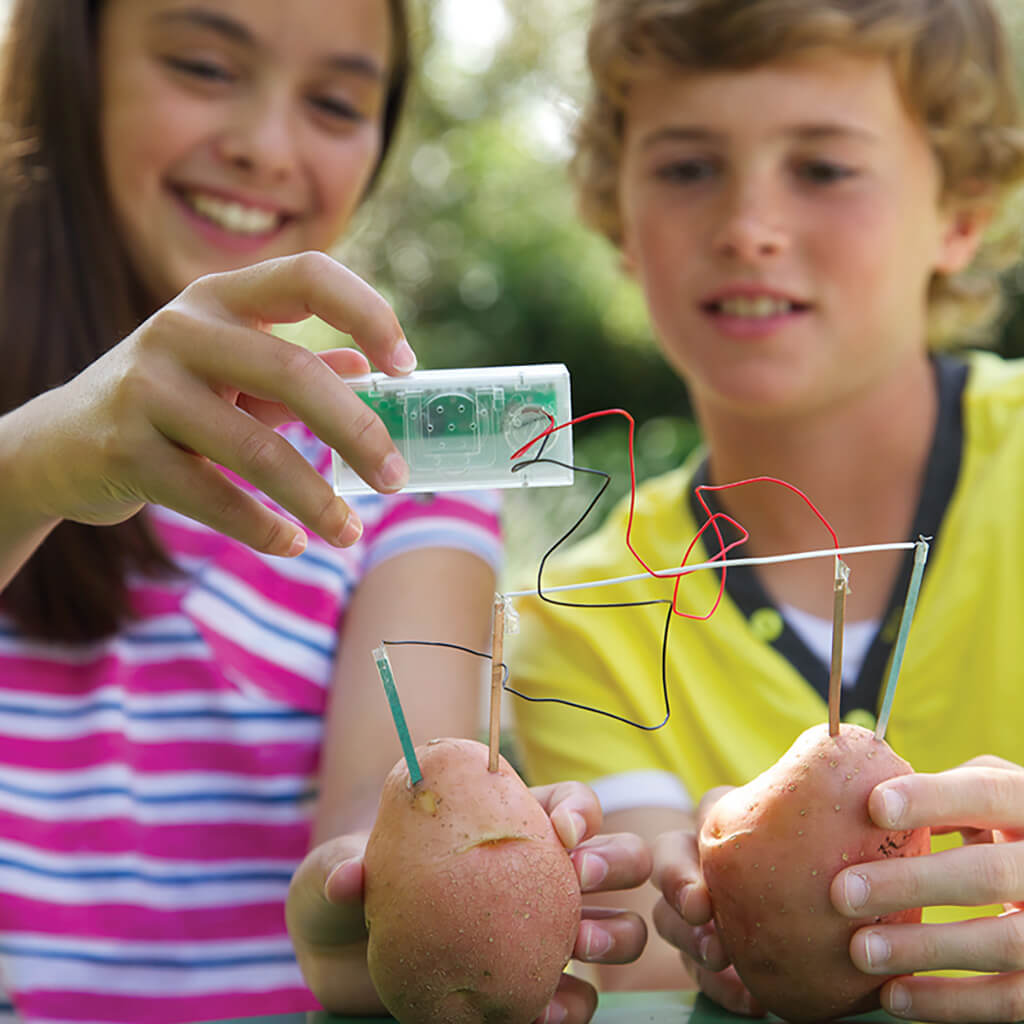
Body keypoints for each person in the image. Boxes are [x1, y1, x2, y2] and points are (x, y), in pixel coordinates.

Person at [0, 3, 650, 1023]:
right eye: (205, 66)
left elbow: (380, 806)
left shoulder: (406, 479)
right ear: (72, 65)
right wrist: (33, 466)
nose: (267, 146)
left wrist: (385, 901)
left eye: (337, 103)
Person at [510, 0, 1024, 1020]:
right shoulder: (584, 612)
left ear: (960, 213)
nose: (748, 228)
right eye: (687, 168)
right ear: (619, 216)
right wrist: (704, 926)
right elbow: (648, 973)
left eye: (823, 168)